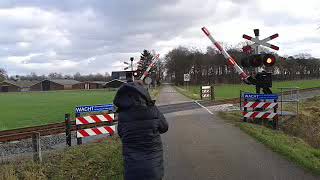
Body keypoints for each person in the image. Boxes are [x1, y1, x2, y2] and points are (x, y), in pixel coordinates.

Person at [113, 80, 168, 180]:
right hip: (153, 168)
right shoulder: (152, 110)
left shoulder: (122, 115)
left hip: (132, 170)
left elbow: (121, 134)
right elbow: (164, 127)